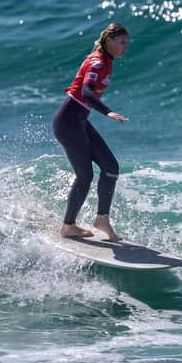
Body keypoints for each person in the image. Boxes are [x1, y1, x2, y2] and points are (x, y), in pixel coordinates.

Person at [52, 23, 130, 241]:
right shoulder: (97, 62)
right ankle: (68, 226)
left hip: (79, 121)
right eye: (122, 42)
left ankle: (102, 219)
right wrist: (107, 112)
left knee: (111, 167)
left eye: (127, 43)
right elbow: (86, 93)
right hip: (68, 122)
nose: (126, 47)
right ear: (109, 41)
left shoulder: (106, 60)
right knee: (85, 175)